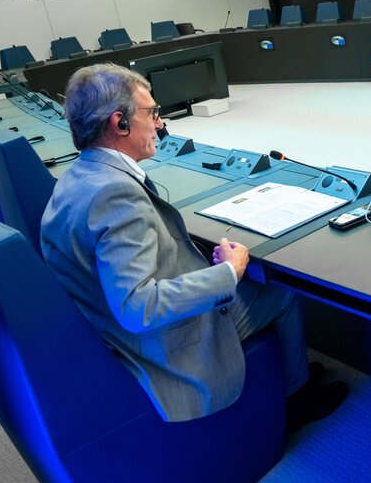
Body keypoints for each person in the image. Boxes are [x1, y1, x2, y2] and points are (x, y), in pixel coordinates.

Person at [40, 63, 347, 429]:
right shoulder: (114, 193)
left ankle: (291, 373)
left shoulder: (78, 176)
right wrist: (227, 273)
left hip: (105, 331)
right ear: (120, 123)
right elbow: (138, 307)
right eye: (152, 113)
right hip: (160, 347)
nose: (159, 123)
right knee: (282, 294)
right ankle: (296, 397)